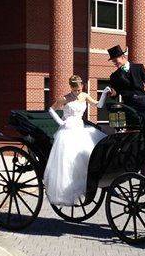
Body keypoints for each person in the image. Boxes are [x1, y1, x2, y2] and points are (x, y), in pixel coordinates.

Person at [44, 75, 111, 206]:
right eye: (75, 90)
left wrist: (104, 92)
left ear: (82, 87)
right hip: (67, 130)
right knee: (68, 161)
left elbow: (99, 105)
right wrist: (60, 122)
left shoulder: (85, 96)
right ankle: (68, 189)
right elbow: (51, 109)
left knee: (88, 153)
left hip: (80, 128)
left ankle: (88, 182)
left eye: (79, 89)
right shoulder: (65, 98)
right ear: (71, 88)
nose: (77, 92)